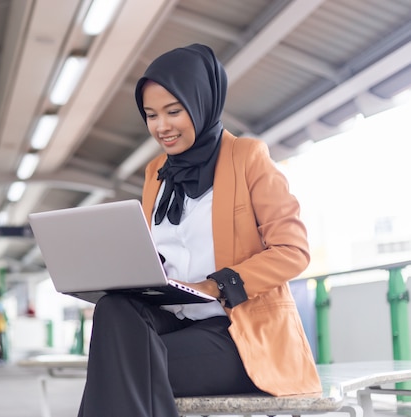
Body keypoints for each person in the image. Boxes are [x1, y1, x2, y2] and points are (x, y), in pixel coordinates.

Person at [76, 44, 321, 417]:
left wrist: (218, 285)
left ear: (202, 102)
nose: (161, 127)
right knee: (113, 308)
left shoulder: (248, 158)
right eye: (151, 115)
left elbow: (293, 250)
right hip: (171, 319)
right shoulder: (155, 172)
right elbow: (160, 250)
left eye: (174, 111)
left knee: (124, 373)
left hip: (235, 334)